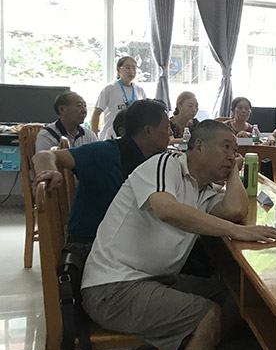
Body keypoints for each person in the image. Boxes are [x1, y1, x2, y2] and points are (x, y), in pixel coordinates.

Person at [80, 120, 276, 350]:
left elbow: (235, 209)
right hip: (113, 287)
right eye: (225, 147)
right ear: (199, 146)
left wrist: (234, 170)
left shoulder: (202, 189)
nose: (231, 155)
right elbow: (167, 210)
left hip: (153, 281)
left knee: (235, 297)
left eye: (235, 150)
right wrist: (238, 232)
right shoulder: (165, 165)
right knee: (207, 315)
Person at [33, 99, 172, 243]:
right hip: (90, 244)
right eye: (167, 127)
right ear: (148, 130)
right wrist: (50, 171)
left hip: (122, 237)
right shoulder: (105, 152)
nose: (171, 132)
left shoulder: (154, 157)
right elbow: (43, 155)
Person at [91, 56, 147, 140]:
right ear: (118, 70)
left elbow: (145, 115)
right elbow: (96, 114)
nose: (131, 71)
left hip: (133, 137)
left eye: (134, 68)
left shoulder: (140, 90)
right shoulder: (109, 89)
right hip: (110, 137)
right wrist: (94, 137)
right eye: (127, 68)